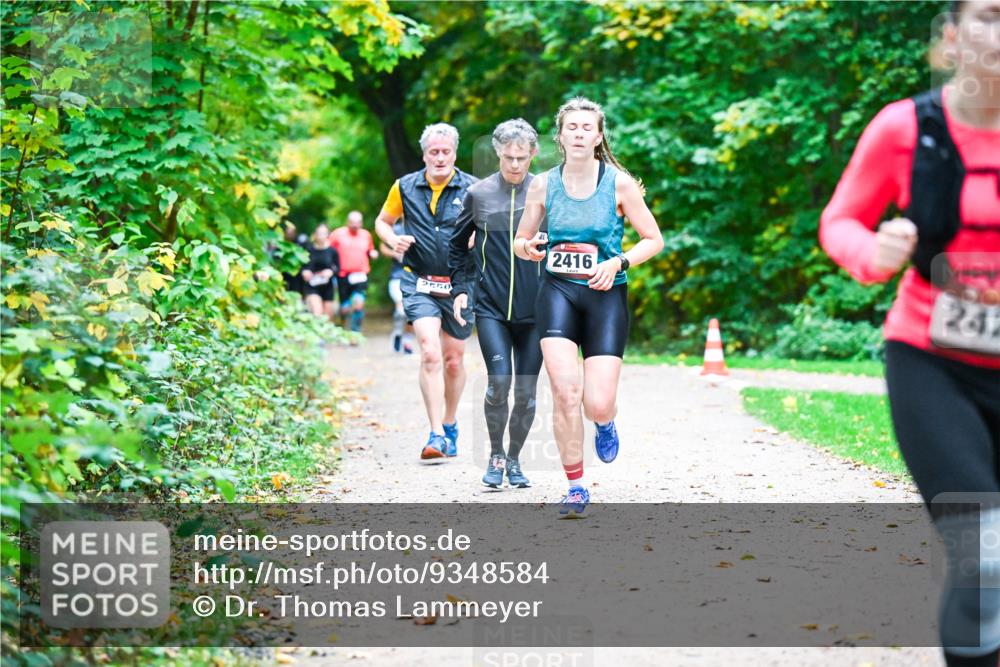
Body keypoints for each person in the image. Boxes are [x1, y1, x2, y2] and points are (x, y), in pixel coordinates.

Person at [819, 3, 999, 664]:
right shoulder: (906, 128)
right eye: (992, 14)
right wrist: (874, 253)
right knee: (983, 544)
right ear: (952, 37)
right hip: (932, 360)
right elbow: (840, 220)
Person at [513, 97, 664, 513]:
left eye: (587, 127)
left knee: (596, 401)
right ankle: (576, 485)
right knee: (565, 391)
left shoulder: (619, 184)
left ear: (598, 136)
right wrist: (532, 248)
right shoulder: (542, 184)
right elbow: (520, 241)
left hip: (605, 295)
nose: (579, 133)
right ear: (560, 136)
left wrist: (619, 261)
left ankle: (605, 421)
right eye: (571, 127)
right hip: (557, 291)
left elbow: (654, 239)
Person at [449, 118, 544, 490]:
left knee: (525, 391)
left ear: (533, 154)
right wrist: (461, 287)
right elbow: (457, 246)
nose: (516, 164)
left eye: (522, 157)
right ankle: (495, 456)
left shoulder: (547, 193)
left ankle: (516, 460)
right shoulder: (480, 194)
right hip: (490, 309)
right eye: (508, 157)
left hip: (537, 312)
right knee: (498, 383)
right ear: (497, 153)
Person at [374, 123, 478, 460]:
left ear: (455, 154)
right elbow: (382, 222)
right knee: (430, 353)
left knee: (453, 360)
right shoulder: (404, 187)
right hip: (418, 280)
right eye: (433, 152)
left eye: (445, 151)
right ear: (424, 155)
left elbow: (493, 227)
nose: (440, 157)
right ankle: (435, 434)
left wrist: (481, 239)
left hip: (460, 284)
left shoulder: (473, 189)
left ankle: (450, 423)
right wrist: (392, 240)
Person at [331, 210, 379, 332]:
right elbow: (328, 250)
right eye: (352, 222)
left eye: (358, 222)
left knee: (359, 303)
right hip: (343, 275)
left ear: (361, 223)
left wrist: (373, 253)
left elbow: (370, 249)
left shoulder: (366, 235)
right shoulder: (337, 234)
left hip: (360, 274)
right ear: (348, 222)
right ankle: (342, 323)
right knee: (345, 307)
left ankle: (355, 331)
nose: (355, 225)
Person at [382, 219, 414, 354]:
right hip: (397, 276)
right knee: (401, 310)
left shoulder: (420, 225)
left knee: (412, 311)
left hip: (415, 276)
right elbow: (383, 247)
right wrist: (394, 253)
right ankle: (397, 333)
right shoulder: (395, 229)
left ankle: (407, 341)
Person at [302, 223, 340, 322]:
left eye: (323, 233)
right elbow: (302, 266)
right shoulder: (308, 250)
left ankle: (325, 337)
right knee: (317, 312)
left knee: (328, 318)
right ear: (315, 234)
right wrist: (304, 272)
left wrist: (331, 272)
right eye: (319, 233)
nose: (321, 236)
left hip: (327, 286)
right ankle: (317, 336)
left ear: (328, 234)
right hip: (312, 285)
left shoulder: (332, 251)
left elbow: (338, 268)